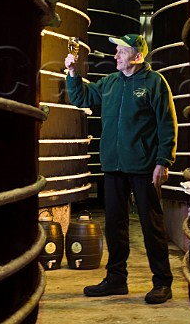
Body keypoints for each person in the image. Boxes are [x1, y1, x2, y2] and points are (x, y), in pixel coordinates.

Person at [64, 33, 178, 304]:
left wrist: (164, 161)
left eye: (121, 51)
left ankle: (162, 282)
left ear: (137, 56)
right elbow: (81, 97)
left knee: (151, 226)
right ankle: (116, 280)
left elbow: (167, 123)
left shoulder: (154, 83)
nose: (115, 55)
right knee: (115, 225)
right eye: (116, 51)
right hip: (113, 165)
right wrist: (71, 72)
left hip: (143, 166)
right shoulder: (111, 83)